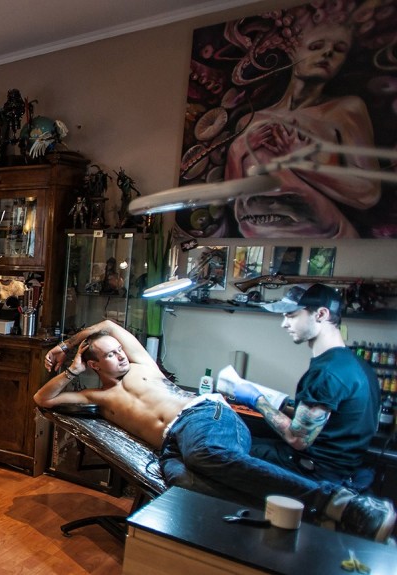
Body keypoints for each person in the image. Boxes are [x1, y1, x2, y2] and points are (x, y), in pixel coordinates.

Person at [35, 319, 394, 542]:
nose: (121, 355)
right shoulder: (96, 395)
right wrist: (72, 369)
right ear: (93, 365)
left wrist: (66, 345)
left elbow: (109, 325)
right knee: (182, 482)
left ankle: (338, 503)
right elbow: (43, 398)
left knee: (206, 454)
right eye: (111, 355)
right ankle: (312, 520)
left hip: (204, 416)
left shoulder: (144, 365)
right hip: (173, 447)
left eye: (119, 351)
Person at [222, 3, 380, 238]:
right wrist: (236, 152)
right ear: (292, 51)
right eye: (316, 46)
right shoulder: (252, 120)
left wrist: (302, 164)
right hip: (256, 240)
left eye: (339, 49)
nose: (327, 53)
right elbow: (231, 199)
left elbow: (367, 194)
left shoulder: (344, 110)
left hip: (326, 241)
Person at [217, 284, 379, 491]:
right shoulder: (357, 365)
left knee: (221, 444)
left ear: (321, 314)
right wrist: (280, 403)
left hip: (313, 472)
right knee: (247, 438)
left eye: (292, 316)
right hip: (340, 468)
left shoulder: (326, 372)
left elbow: (297, 438)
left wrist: (256, 399)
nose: (284, 324)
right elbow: (329, 418)